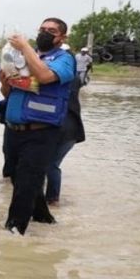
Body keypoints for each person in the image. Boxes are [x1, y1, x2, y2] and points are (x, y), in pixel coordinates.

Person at [0, 17, 76, 235]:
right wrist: (5, 82)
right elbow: (8, 93)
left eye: (51, 30)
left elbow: (43, 75)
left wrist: (24, 46)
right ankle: (43, 217)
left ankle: (14, 229)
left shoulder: (64, 59)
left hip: (41, 133)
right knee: (16, 176)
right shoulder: (24, 57)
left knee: (26, 182)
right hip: (14, 129)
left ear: (62, 37)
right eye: (42, 29)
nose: (45, 33)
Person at [45, 73, 85, 204]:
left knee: (51, 165)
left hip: (65, 131)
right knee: (51, 165)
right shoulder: (73, 79)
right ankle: (52, 200)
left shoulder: (56, 86)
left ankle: (52, 200)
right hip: (71, 131)